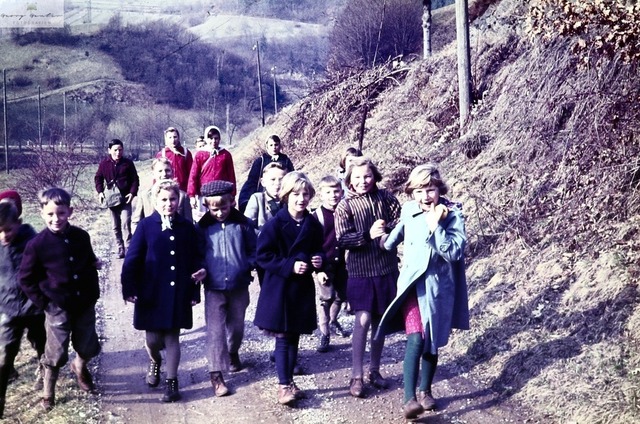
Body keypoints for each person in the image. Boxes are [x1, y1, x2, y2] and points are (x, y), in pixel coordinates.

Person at [377, 164, 469, 419]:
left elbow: (454, 253)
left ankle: (425, 390)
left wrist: (435, 226)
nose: (425, 196)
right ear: (412, 192)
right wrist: (382, 239)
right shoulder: (409, 210)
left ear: (439, 189)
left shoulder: (453, 215)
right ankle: (409, 399)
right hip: (411, 287)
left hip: (438, 290)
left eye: (430, 190)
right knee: (416, 338)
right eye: (419, 191)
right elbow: (396, 236)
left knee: (432, 340)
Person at [121, 179, 206, 403]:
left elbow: (195, 258)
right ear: (155, 201)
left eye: (173, 199)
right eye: (164, 200)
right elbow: (132, 259)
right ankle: (155, 360)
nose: (169, 204)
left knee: (172, 337)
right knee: (152, 339)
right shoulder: (146, 226)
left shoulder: (187, 227)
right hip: (150, 293)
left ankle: (172, 382)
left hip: (178, 291)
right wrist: (128, 287)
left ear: (179, 200)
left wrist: (194, 290)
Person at [19, 188, 102, 412]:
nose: (56, 219)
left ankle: (79, 367)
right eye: (50, 214)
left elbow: (89, 260)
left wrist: (93, 287)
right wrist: (45, 303)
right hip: (57, 306)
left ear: (70, 212)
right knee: (55, 353)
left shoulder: (81, 236)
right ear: (42, 214)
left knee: (87, 345)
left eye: (61, 213)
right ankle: (48, 391)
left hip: (84, 303)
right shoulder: (36, 245)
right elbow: (25, 279)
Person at [253, 171, 324, 406]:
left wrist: (319, 260)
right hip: (280, 288)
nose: (301, 199)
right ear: (285, 195)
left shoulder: (312, 224)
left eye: (305, 194)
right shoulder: (274, 224)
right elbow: (263, 256)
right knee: (283, 337)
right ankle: (283, 386)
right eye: (296, 194)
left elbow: (319, 248)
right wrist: (289, 265)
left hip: (301, 289)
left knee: (294, 335)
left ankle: (290, 382)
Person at [334, 156, 401, 398]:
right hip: (360, 272)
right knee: (362, 320)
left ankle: (374, 369)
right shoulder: (345, 206)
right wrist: (367, 235)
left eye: (368, 176)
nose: (363, 181)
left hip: (386, 269)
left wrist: (388, 230)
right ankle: (356, 375)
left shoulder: (386, 197)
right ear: (349, 180)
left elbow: (400, 221)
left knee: (380, 322)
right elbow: (342, 239)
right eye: (358, 177)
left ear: (375, 176)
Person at [197, 180, 257, 397]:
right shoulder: (202, 228)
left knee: (237, 326)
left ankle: (233, 352)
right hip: (214, 287)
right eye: (214, 209)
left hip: (239, 285)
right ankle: (216, 375)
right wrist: (201, 269)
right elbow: (198, 254)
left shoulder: (243, 224)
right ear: (206, 206)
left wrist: (247, 265)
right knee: (215, 332)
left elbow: (254, 250)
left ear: (232, 202)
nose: (220, 213)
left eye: (224, 207)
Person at [0, 200, 46, 419]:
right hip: (8, 309)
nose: (4, 236)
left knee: (41, 344)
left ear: (18, 223)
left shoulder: (33, 242)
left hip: (34, 307)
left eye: (8, 230)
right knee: (4, 355)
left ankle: (44, 374)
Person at [312, 175, 349, 354]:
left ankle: (333, 320)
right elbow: (311, 244)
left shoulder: (346, 211)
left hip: (343, 262)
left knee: (341, 295)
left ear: (342, 192)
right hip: (325, 264)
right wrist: (318, 270)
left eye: (336, 191)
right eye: (328, 192)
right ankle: (324, 332)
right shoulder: (317, 216)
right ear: (321, 194)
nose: (333, 195)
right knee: (326, 298)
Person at [95, 139, 140, 258]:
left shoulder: (128, 163)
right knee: (115, 226)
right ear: (109, 150)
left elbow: (135, 179)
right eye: (115, 150)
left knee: (126, 223)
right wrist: (100, 192)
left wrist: (132, 193)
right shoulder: (104, 164)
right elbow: (98, 178)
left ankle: (129, 249)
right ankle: (120, 248)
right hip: (112, 198)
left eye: (120, 150)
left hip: (125, 198)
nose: (118, 153)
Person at [238, 135, 295, 213]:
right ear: (267, 146)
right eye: (271, 145)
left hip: (281, 195)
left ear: (280, 145)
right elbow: (252, 181)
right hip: (265, 195)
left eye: (276, 144)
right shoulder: (260, 161)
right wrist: (246, 200)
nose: (274, 147)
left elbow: (292, 178)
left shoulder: (286, 160)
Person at [132, 158, 191, 233]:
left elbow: (188, 223)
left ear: (172, 172)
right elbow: (136, 222)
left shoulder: (183, 196)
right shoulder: (144, 196)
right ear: (153, 174)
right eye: (160, 171)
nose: (164, 174)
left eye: (167, 170)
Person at [187, 125, 237, 212]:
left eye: (216, 138)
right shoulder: (200, 154)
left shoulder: (225, 155)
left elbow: (231, 175)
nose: (213, 141)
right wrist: (192, 195)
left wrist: (232, 194)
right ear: (206, 139)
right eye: (211, 138)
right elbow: (193, 176)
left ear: (219, 139)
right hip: (204, 194)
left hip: (222, 193)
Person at [243, 162, 287, 231]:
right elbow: (247, 226)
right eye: (273, 179)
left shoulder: (289, 200)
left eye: (281, 179)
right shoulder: (258, 199)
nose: (277, 183)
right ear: (263, 182)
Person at [156, 127, 193, 192]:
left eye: (175, 137)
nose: (173, 140)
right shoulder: (162, 154)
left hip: (184, 190)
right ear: (166, 139)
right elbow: (156, 174)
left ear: (178, 138)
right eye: (170, 137)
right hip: (168, 191)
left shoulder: (185, 152)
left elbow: (192, 173)